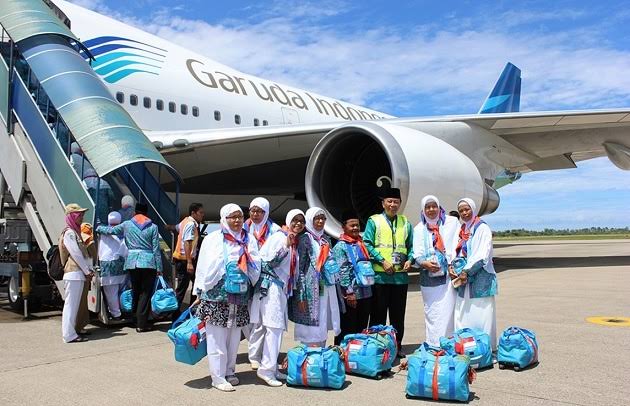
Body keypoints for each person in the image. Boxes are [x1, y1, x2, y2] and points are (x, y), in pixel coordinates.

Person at [193, 204, 260, 392]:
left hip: (239, 295)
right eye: (232, 217)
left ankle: (230, 371)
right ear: (224, 218)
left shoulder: (248, 239)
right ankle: (218, 376)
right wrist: (199, 290)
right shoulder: (213, 239)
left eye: (239, 216)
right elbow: (204, 266)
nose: (237, 220)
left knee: (233, 338)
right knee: (216, 338)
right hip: (216, 296)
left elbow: (256, 263)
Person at [250, 209, 305, 386]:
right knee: (273, 328)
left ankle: (271, 367)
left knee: (277, 329)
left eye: (301, 222)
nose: (298, 224)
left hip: (281, 290)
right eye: (295, 220)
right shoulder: (279, 238)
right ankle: (266, 370)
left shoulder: (291, 239)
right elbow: (267, 263)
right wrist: (286, 247)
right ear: (288, 221)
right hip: (271, 288)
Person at [97, 203, 162, 332]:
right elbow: (156, 249)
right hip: (148, 262)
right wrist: (159, 267)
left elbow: (111, 230)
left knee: (136, 291)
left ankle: (135, 320)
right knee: (145, 293)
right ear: (146, 213)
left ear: (134, 213)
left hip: (132, 262)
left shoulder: (127, 224)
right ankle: (142, 324)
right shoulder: (153, 227)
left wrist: (99, 228)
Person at [363, 187, 413, 357]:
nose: (393, 204)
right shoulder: (374, 221)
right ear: (383, 203)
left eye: (396, 202)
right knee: (378, 315)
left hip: (400, 278)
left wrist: (410, 260)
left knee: (398, 315)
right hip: (380, 278)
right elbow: (367, 244)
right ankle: (377, 347)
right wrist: (382, 261)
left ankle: (396, 346)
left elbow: (411, 246)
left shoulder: (405, 222)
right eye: (389, 201)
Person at [289, 207, 341, 347]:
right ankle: (309, 354)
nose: (320, 221)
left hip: (325, 285)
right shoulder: (305, 239)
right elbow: (300, 269)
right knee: (311, 322)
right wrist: (301, 294)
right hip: (310, 289)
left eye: (323, 218)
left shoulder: (325, 239)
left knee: (323, 317)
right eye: (316, 218)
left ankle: (321, 351)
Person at [412, 195, 459, 346]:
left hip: (447, 277)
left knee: (449, 312)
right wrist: (424, 263)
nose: (431, 210)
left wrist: (453, 264)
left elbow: (458, 244)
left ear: (439, 207)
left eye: (434, 206)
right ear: (423, 209)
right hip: (429, 278)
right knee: (432, 313)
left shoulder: (451, 223)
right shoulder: (419, 229)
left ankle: (448, 343)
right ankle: (433, 343)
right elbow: (416, 254)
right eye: (427, 207)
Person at [452, 198, 498, 350]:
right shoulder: (463, 229)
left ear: (473, 209)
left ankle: (485, 350)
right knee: (463, 314)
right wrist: (453, 267)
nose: (464, 213)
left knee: (482, 316)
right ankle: (466, 348)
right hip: (464, 281)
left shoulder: (481, 228)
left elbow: (481, 255)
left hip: (480, 281)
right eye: (461, 211)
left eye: (467, 209)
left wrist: (466, 271)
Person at [245, 197, 282, 369]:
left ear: (266, 212)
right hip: (248, 276)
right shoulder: (245, 227)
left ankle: (259, 355)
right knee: (251, 318)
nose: (255, 214)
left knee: (261, 318)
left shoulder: (274, 230)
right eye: (253, 210)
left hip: (267, 279)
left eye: (259, 211)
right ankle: (254, 353)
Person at [333, 210, 373, 346]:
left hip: (365, 292)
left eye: (357, 225)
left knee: (361, 328)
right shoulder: (341, 246)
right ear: (344, 227)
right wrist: (349, 292)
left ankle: (356, 357)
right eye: (352, 225)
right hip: (352, 294)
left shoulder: (360, 243)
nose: (355, 228)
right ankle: (342, 356)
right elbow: (342, 272)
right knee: (348, 328)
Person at [59, 204, 95, 343]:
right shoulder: (69, 233)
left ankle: (71, 333)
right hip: (74, 273)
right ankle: (68, 335)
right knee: (71, 305)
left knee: (73, 306)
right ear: (72, 216)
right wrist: (87, 271)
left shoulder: (75, 232)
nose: (81, 217)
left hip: (77, 274)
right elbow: (76, 254)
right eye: (79, 215)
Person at [172, 203, 205, 315]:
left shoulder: (185, 221)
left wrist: (167, 227)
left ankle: (190, 310)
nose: (202, 215)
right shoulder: (191, 224)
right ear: (193, 213)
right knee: (183, 288)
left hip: (183, 259)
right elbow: (187, 242)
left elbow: (176, 228)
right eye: (200, 212)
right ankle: (177, 314)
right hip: (185, 260)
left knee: (196, 285)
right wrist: (189, 262)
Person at [98, 212, 128, 319]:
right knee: (122, 289)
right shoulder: (123, 231)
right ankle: (124, 310)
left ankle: (116, 314)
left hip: (107, 265)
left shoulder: (102, 230)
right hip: (121, 263)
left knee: (111, 292)